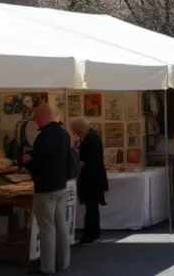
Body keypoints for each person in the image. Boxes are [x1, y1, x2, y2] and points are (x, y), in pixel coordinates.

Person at [22, 105, 70, 275]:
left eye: (35, 118)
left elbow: (39, 163)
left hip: (45, 188)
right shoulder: (64, 134)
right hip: (61, 186)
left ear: (41, 117)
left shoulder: (43, 137)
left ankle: (47, 267)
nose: (35, 121)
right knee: (60, 226)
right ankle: (63, 262)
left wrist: (28, 161)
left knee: (47, 228)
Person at [71, 117, 107, 245]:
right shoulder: (92, 137)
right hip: (94, 178)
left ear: (81, 128)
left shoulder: (89, 140)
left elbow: (85, 161)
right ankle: (93, 233)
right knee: (92, 208)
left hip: (91, 179)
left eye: (76, 131)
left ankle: (89, 235)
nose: (75, 134)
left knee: (91, 208)